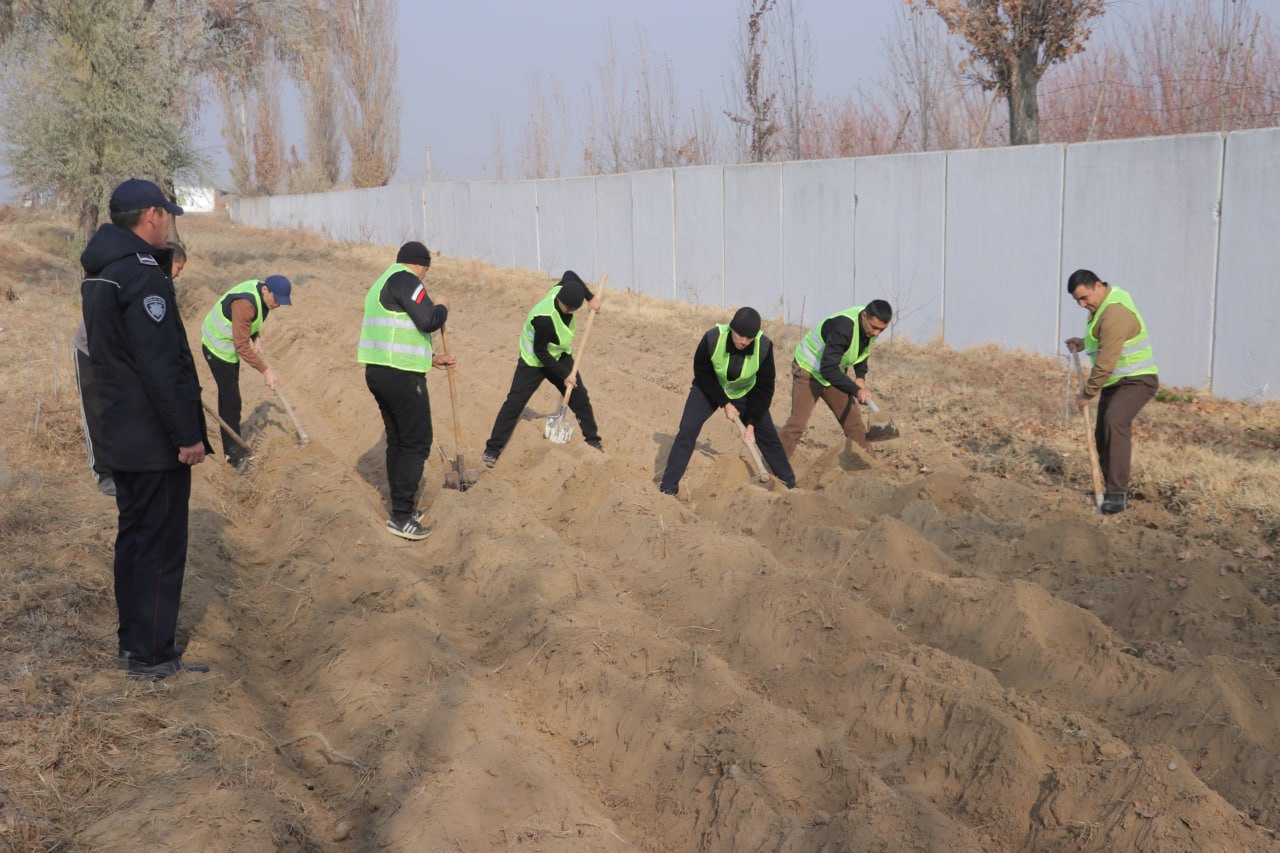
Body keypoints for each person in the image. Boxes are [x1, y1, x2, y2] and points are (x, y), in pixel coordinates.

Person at [80, 178, 212, 680]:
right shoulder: (141, 275)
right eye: (167, 215)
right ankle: (153, 655)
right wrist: (187, 435)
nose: (168, 224)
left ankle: (133, 644)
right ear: (152, 215)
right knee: (160, 545)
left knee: (134, 539)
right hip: (155, 438)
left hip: (122, 431)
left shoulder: (102, 272)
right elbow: (161, 366)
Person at [73, 242, 187, 495]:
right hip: (91, 350)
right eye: (179, 268)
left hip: (123, 357)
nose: (178, 275)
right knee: (97, 411)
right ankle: (104, 473)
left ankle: (127, 467)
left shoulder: (157, 285)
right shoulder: (133, 277)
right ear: (169, 262)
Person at [358, 241, 453, 541]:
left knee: (398, 440)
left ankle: (401, 508)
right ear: (421, 265)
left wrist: (430, 358)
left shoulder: (382, 282)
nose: (425, 275)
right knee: (417, 441)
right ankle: (401, 517)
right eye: (426, 270)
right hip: (401, 375)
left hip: (379, 371)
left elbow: (395, 330)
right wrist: (442, 306)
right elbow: (428, 320)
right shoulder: (407, 280)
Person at [659, 307, 796, 496]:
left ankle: (790, 487)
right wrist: (725, 403)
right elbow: (702, 374)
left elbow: (765, 389)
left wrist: (752, 425)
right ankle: (668, 487)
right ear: (732, 328)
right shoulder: (713, 338)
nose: (744, 341)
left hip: (746, 392)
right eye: (740, 335)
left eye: (749, 338)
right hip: (711, 388)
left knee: (769, 439)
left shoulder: (763, 347)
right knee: (688, 428)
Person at [482, 270, 604, 467]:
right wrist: (565, 374)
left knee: (579, 396)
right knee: (514, 402)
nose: (570, 312)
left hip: (559, 354)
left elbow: (570, 274)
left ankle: (593, 441)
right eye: (569, 308)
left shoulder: (561, 289)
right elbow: (541, 352)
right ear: (562, 301)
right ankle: (492, 450)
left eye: (574, 309)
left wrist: (590, 298)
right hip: (534, 361)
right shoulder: (545, 319)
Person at [1064, 269, 1159, 514]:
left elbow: (1107, 359)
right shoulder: (1102, 307)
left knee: (1114, 422)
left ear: (1098, 286)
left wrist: (1087, 393)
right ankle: (1108, 489)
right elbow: (1105, 340)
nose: (1082, 304)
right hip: (1115, 382)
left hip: (1137, 380)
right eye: (1077, 300)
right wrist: (1082, 343)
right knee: (1102, 434)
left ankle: (1117, 494)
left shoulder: (1115, 311)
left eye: (1084, 298)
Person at [199, 274, 294, 468]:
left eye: (281, 302)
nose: (277, 305)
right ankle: (232, 454)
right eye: (276, 300)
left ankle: (232, 446)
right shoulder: (245, 304)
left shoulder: (261, 292)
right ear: (266, 290)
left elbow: (250, 320)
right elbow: (241, 346)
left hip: (228, 347)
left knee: (231, 399)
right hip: (217, 348)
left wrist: (256, 336)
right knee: (231, 401)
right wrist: (265, 371)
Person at [779, 300, 893, 459]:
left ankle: (869, 466)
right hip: (808, 371)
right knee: (796, 425)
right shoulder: (843, 327)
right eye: (874, 328)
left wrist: (860, 377)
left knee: (854, 423)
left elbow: (861, 351)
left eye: (882, 329)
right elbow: (827, 369)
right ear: (864, 315)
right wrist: (856, 391)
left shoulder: (870, 327)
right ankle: (773, 469)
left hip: (833, 373)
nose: (876, 333)